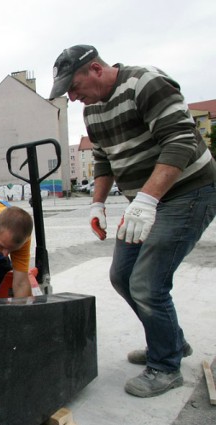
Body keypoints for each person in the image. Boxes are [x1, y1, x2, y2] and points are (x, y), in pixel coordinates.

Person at [49, 44, 216, 398]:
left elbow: (181, 140)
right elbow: (103, 159)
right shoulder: (92, 110)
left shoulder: (145, 83)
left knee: (147, 282)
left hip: (189, 192)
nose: (74, 97)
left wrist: (147, 200)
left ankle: (166, 366)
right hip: (146, 200)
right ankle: (169, 341)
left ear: (95, 69)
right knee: (122, 275)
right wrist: (97, 205)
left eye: (74, 87)